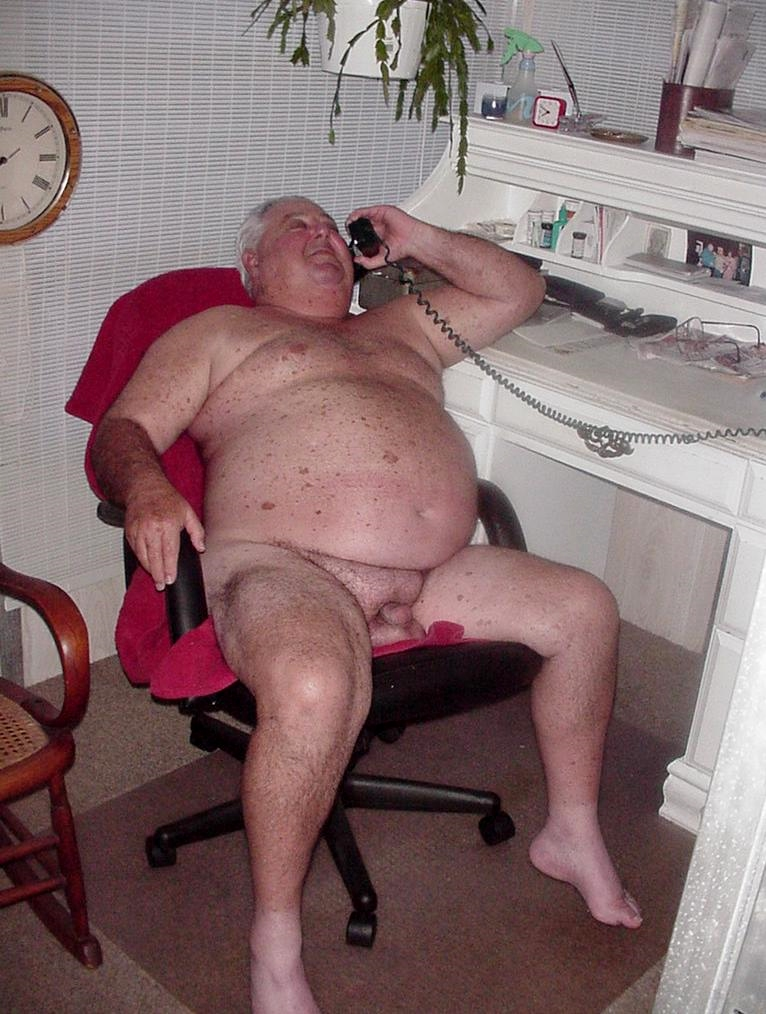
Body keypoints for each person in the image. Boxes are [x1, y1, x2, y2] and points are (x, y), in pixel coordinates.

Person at [91, 197, 642, 1014]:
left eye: (330, 228)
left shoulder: (403, 326)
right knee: (315, 684)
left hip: (433, 570)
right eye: (298, 228)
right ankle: (274, 944)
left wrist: (418, 238)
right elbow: (121, 429)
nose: (323, 236)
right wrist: (145, 488)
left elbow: (519, 290)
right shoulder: (219, 332)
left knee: (585, 608)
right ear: (252, 266)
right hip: (283, 564)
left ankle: (571, 830)